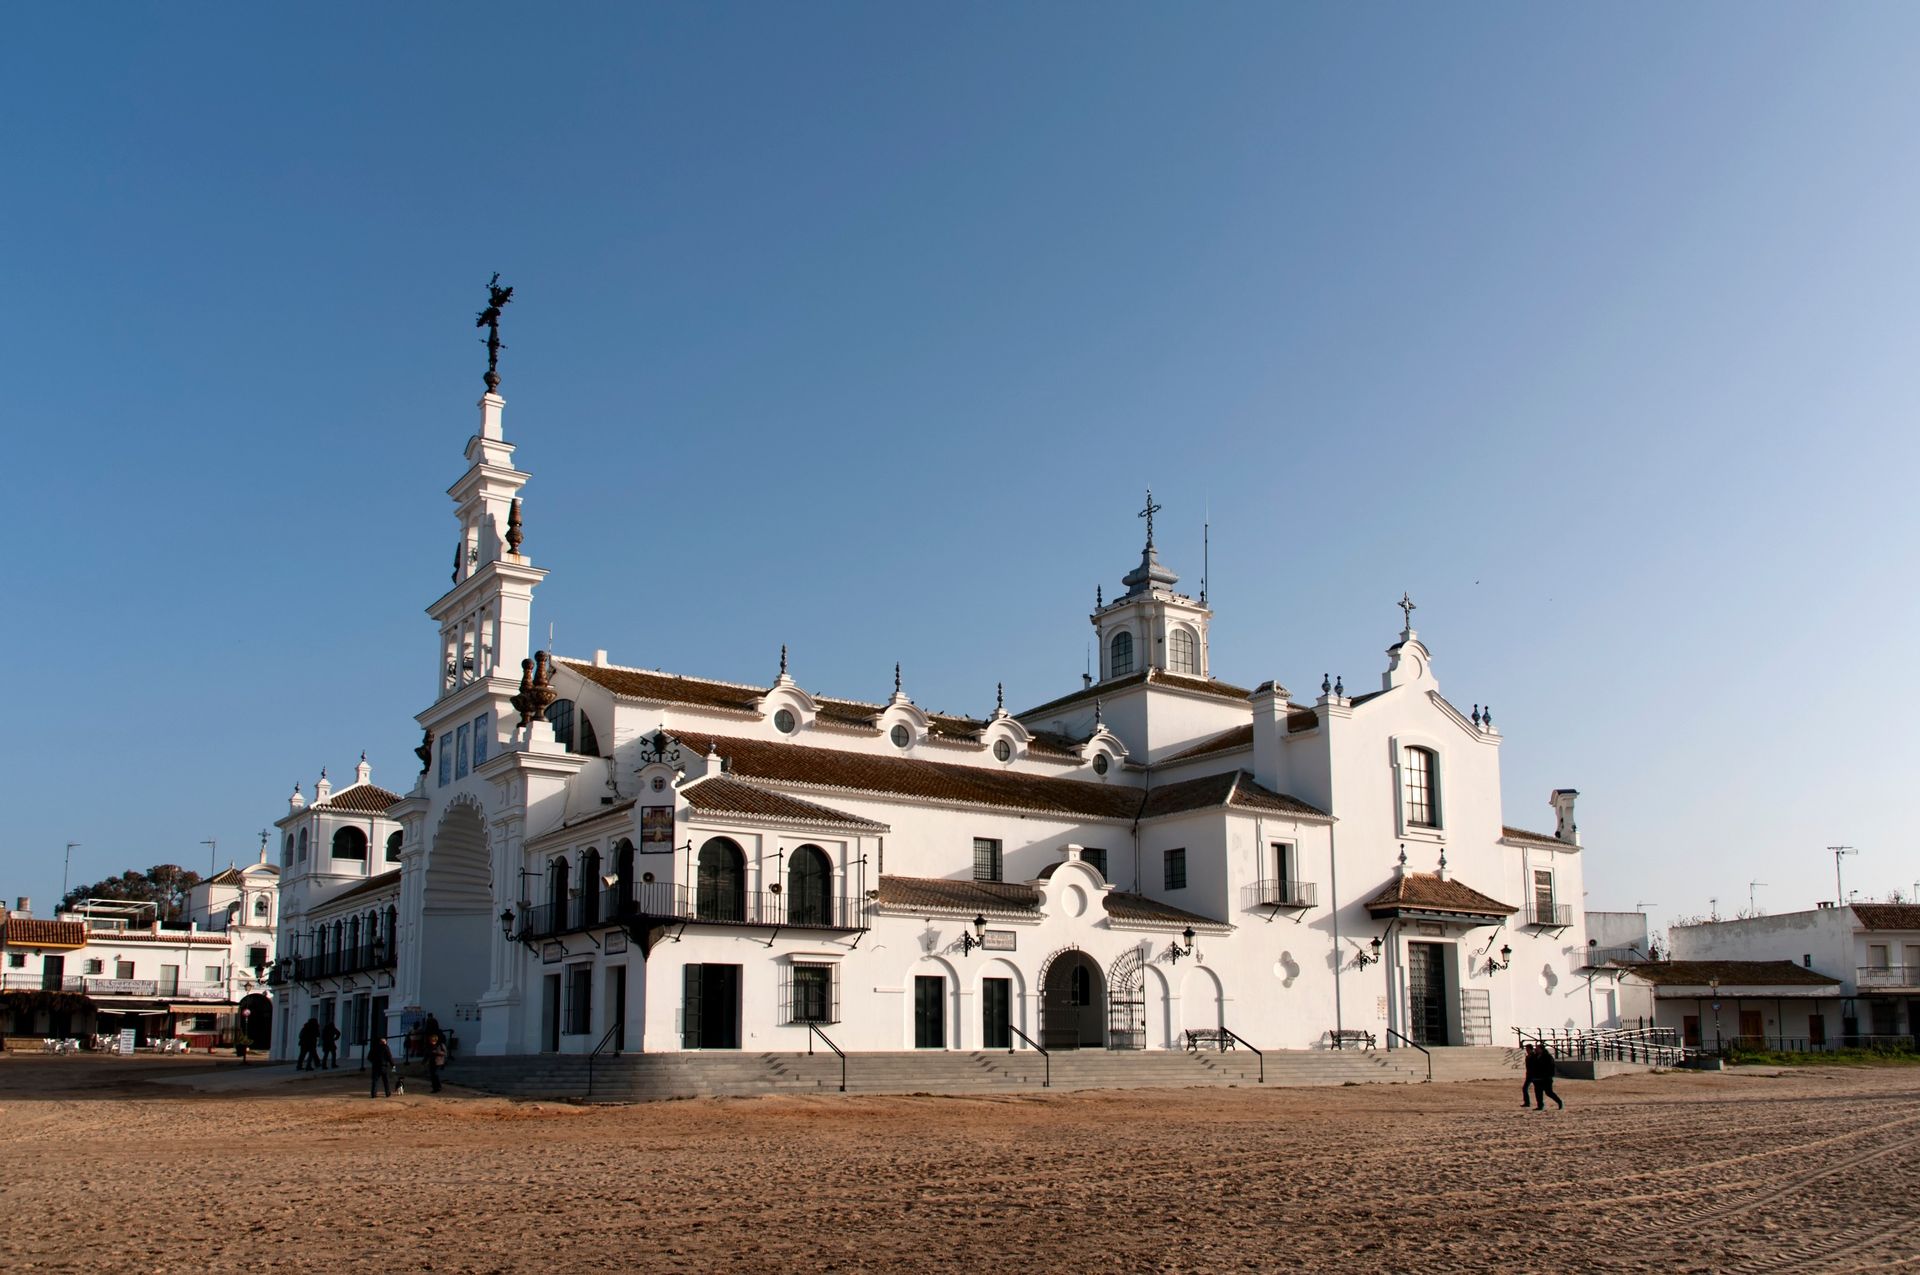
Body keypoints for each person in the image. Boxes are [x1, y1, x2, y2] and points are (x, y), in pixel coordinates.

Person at [1532, 1042, 1565, 1111]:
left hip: (1546, 1078)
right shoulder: (1535, 1056)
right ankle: (1540, 1106)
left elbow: (1550, 1067)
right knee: (1538, 1092)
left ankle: (1559, 1102)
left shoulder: (1547, 1057)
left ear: (1542, 1049)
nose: (1536, 1049)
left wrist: (1548, 1075)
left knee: (1549, 1092)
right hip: (1537, 1078)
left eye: (1537, 1048)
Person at [368, 1033, 394, 1098]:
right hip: (384, 1066)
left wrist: (373, 1062)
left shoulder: (374, 1047)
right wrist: (393, 1065)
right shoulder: (386, 1048)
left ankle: (373, 1094)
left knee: (375, 1080)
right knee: (386, 1081)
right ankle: (387, 1093)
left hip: (376, 1066)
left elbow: (369, 1057)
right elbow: (389, 1057)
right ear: (384, 1042)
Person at [426, 1029, 447, 1093]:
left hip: (437, 1061)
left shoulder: (440, 1045)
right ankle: (436, 1086)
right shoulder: (431, 1045)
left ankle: (436, 1087)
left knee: (434, 1074)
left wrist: (437, 1053)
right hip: (432, 1060)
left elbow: (444, 1053)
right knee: (432, 1074)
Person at [1520, 1042, 1537, 1108]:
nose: (1527, 1050)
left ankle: (1539, 1104)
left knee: (1537, 1090)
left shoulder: (1534, 1056)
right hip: (1529, 1075)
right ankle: (1527, 1102)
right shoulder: (1528, 1056)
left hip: (1534, 1075)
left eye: (1527, 1049)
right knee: (1524, 1088)